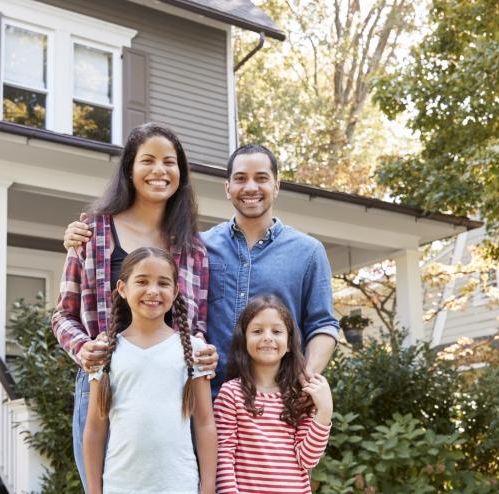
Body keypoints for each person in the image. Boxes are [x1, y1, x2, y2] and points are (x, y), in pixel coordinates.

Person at [63, 144, 341, 391]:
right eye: (241, 179)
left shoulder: (308, 252)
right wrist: (81, 237)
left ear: (277, 186)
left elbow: (323, 325)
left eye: (262, 179)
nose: (251, 188)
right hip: (206, 395)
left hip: (275, 400)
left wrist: (305, 379)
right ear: (227, 188)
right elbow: (149, 273)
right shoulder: (196, 247)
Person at [51, 122, 219, 486]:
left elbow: (196, 323)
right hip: (106, 382)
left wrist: (204, 352)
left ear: (181, 173)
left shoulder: (193, 249)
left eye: (169, 162)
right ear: (129, 168)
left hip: (173, 390)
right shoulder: (92, 232)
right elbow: (63, 315)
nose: (159, 171)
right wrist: (86, 350)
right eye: (148, 161)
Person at [84, 247, 217, 494]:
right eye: (142, 281)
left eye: (163, 283)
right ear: (122, 289)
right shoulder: (105, 351)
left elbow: (205, 422)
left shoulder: (195, 350)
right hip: (120, 486)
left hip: (180, 486)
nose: (153, 291)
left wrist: (208, 487)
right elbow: (94, 427)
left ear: (176, 291)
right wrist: (94, 490)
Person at [215, 296, 332, 494]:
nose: (267, 337)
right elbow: (224, 458)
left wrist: (325, 412)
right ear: (244, 341)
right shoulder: (231, 394)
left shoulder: (299, 397)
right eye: (258, 331)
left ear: (288, 343)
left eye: (277, 331)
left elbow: (308, 460)